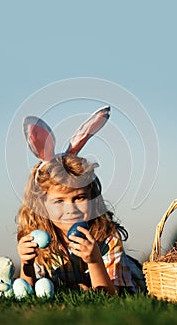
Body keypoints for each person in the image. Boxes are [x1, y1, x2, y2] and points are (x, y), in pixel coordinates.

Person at [16, 106, 146, 295]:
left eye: (79, 198)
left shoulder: (106, 237)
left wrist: (94, 260)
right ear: (42, 205)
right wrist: (26, 263)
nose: (71, 209)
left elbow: (112, 295)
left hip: (125, 283)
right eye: (59, 201)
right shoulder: (38, 237)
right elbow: (27, 292)